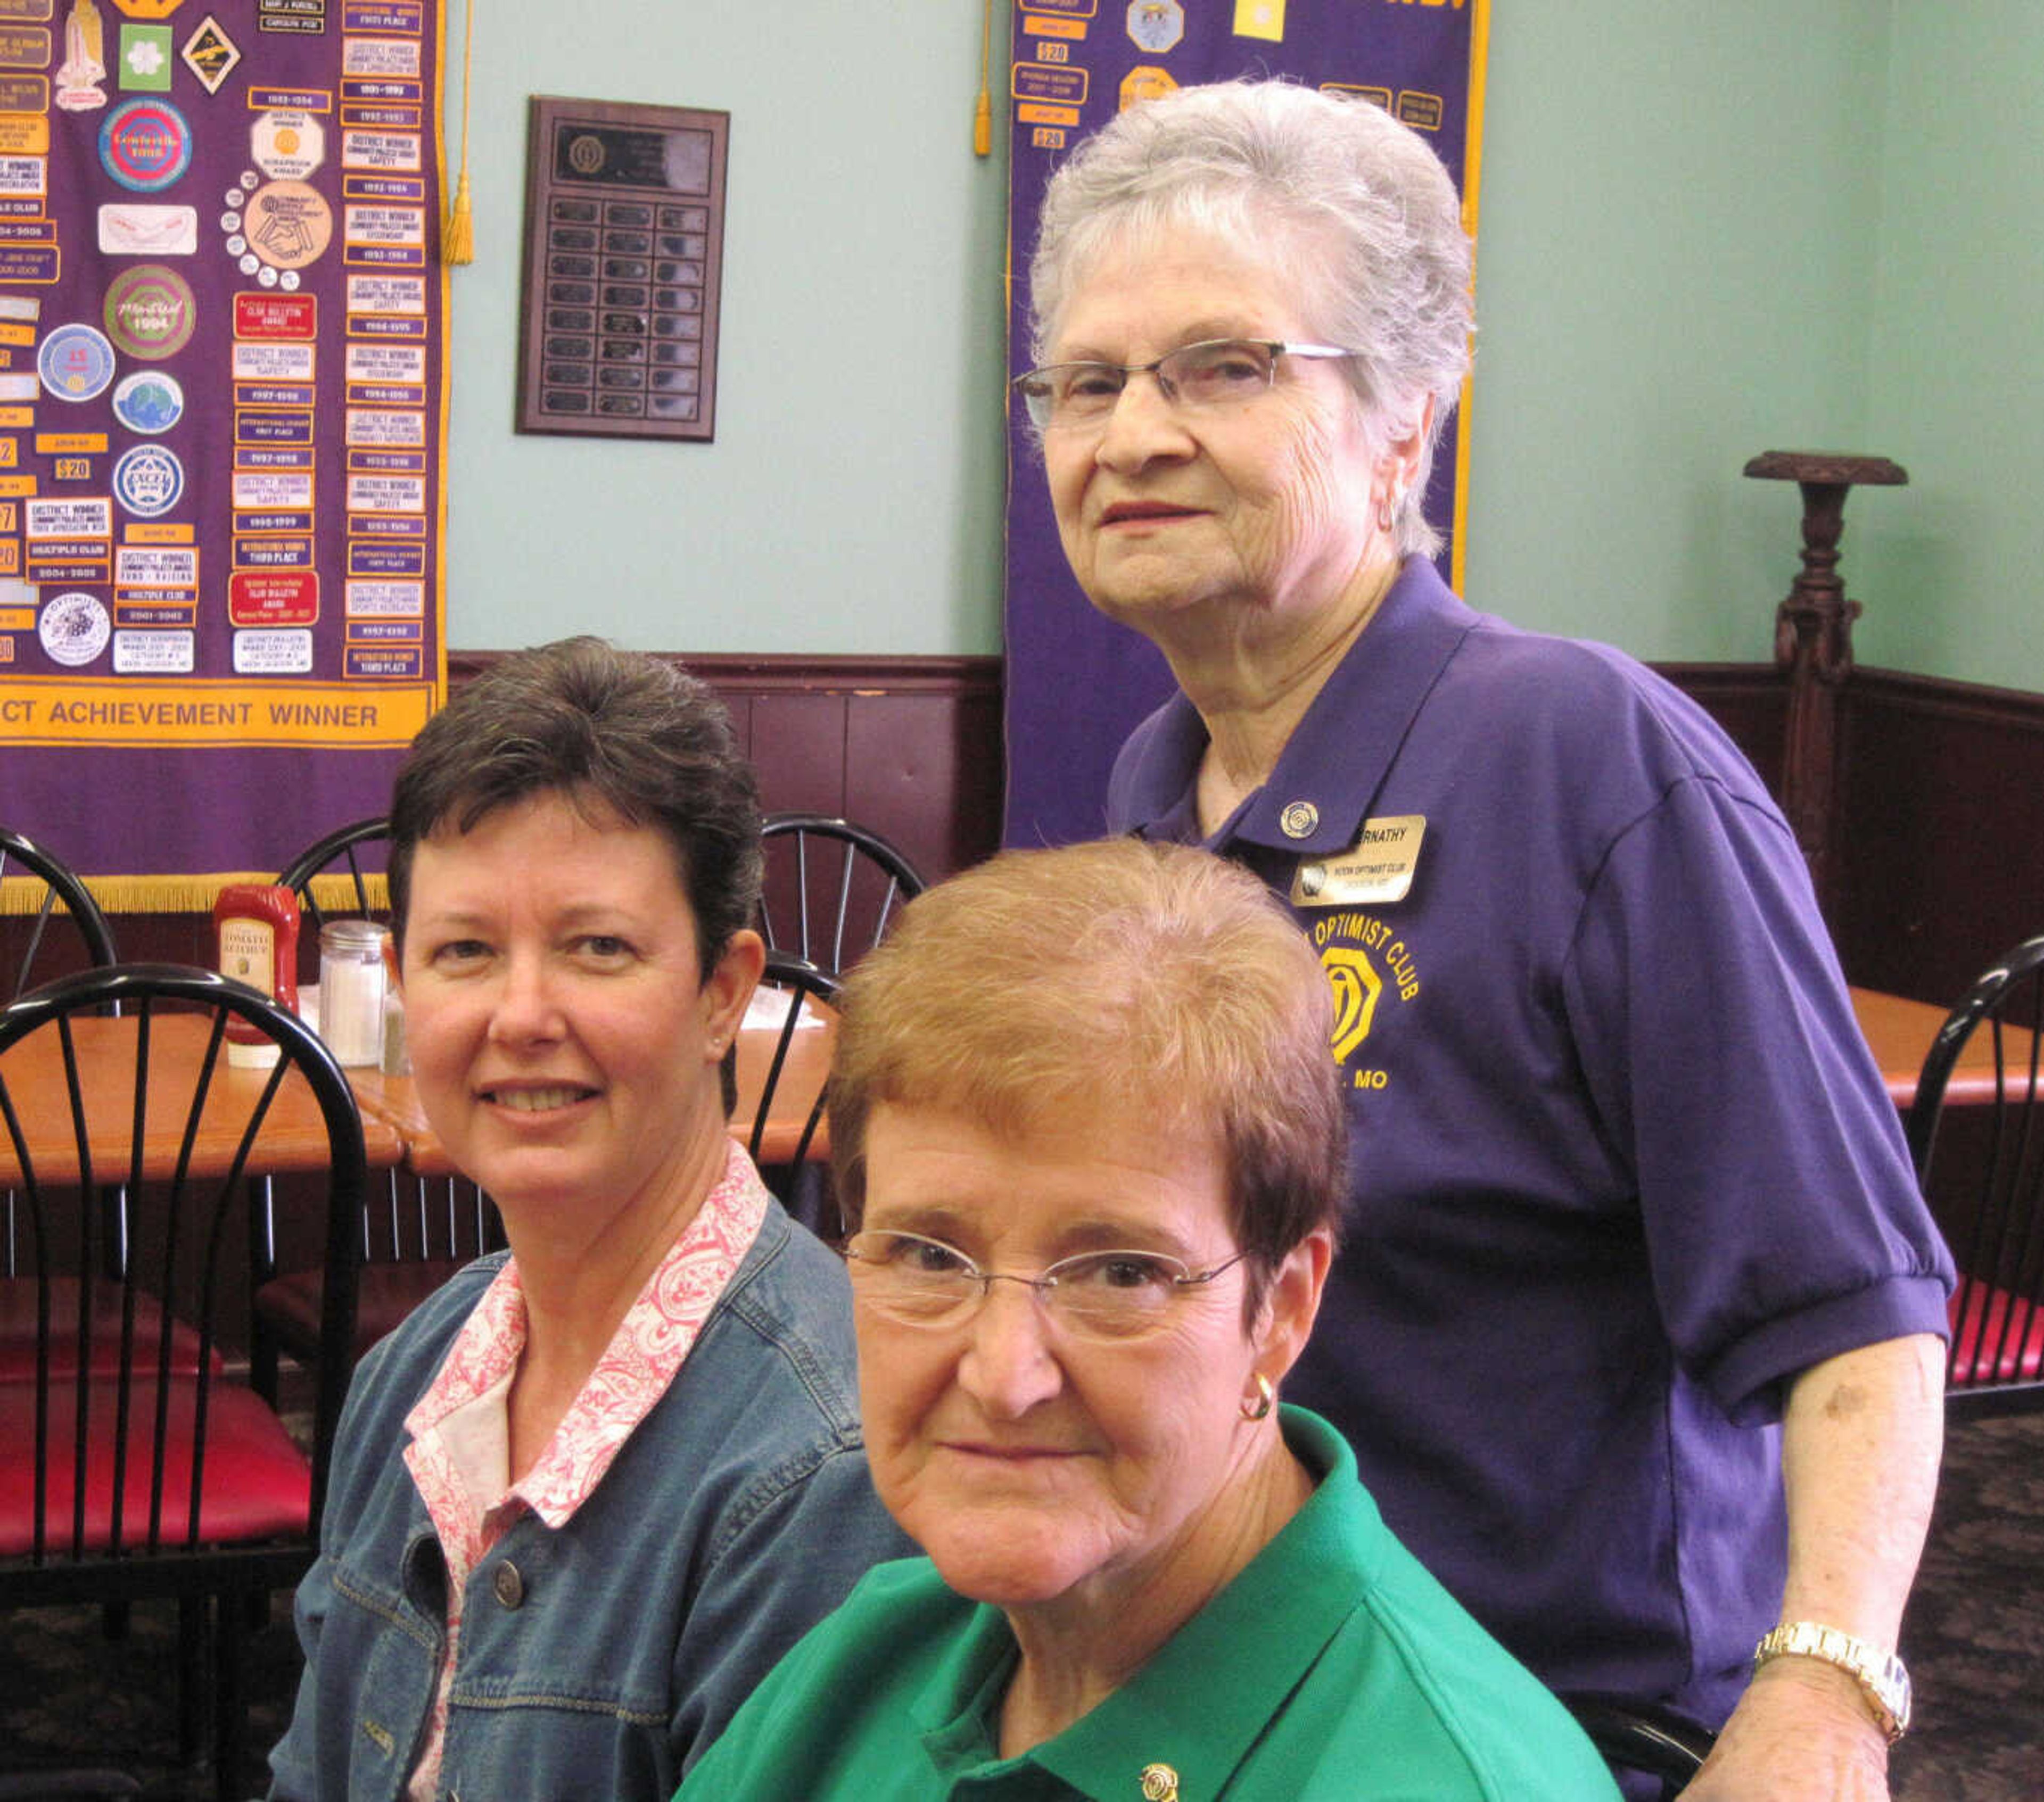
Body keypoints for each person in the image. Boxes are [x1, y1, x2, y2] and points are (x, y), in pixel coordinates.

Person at [1013, 79, 1952, 1801]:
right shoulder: (1150, 795)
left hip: (1550, 1727)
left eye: (1222, 365)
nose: (1129, 430)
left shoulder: (1590, 762)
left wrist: (1825, 1699)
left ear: (1405, 422)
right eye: (1085, 380)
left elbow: (1858, 1316)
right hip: (1246, 1704)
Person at [676, 838, 1623, 1801]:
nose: (1004, 1377)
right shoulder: (871, 1663)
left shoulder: (1450, 1777)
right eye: (928, 1254)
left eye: (1121, 1273)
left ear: (1284, 1308)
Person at [267, 639, 911, 1801]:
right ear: (408, 987)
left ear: (723, 992)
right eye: (465, 951)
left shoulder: (830, 1467)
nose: (522, 1014)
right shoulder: (410, 1377)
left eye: (597, 948)